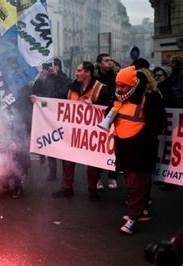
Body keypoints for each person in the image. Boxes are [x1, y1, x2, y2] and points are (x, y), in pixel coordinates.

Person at [104, 66, 165, 234]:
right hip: (125, 147)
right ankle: (141, 211)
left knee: (137, 184)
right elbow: (110, 118)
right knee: (135, 183)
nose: (119, 89)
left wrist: (137, 140)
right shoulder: (122, 98)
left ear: (134, 84)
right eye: (118, 85)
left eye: (123, 86)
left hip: (141, 149)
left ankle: (132, 217)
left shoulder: (150, 98)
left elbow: (156, 125)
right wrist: (113, 107)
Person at [52, 61, 112, 201]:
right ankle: (67, 188)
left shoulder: (101, 88)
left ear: (88, 73)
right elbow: (57, 99)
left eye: (79, 70)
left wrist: (95, 105)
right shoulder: (72, 87)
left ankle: (92, 190)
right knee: (68, 161)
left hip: (91, 135)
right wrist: (39, 100)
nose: (76, 73)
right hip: (72, 133)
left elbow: (109, 108)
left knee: (92, 164)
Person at [32, 58, 71, 181]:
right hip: (48, 117)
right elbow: (35, 92)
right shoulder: (45, 79)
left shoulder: (65, 79)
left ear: (59, 67)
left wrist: (57, 75)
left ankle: (66, 174)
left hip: (62, 117)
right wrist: (41, 78)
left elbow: (63, 93)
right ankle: (52, 172)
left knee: (64, 146)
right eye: (49, 67)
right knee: (50, 144)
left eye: (54, 67)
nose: (51, 69)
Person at [94, 53, 119, 190]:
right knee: (97, 146)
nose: (109, 63)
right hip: (97, 116)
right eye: (106, 61)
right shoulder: (94, 77)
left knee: (112, 147)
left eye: (110, 60)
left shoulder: (116, 76)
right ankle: (97, 178)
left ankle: (113, 177)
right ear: (99, 63)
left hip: (114, 114)